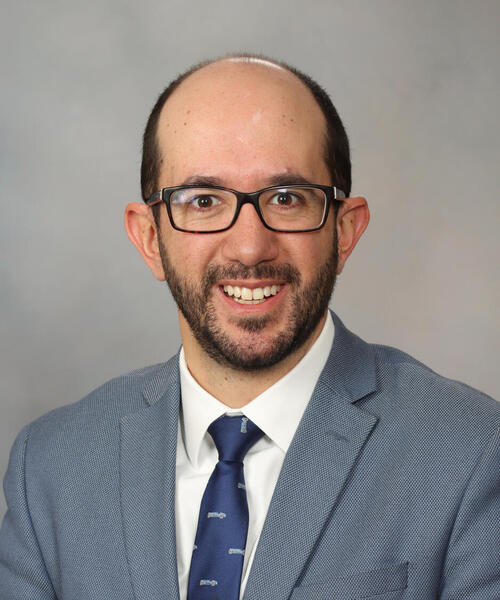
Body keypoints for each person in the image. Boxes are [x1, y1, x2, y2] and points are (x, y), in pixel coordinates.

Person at [0, 54, 498, 600]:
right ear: (150, 239)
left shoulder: (471, 453)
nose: (249, 247)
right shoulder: (50, 467)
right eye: (204, 201)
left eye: (286, 199)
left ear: (345, 231)